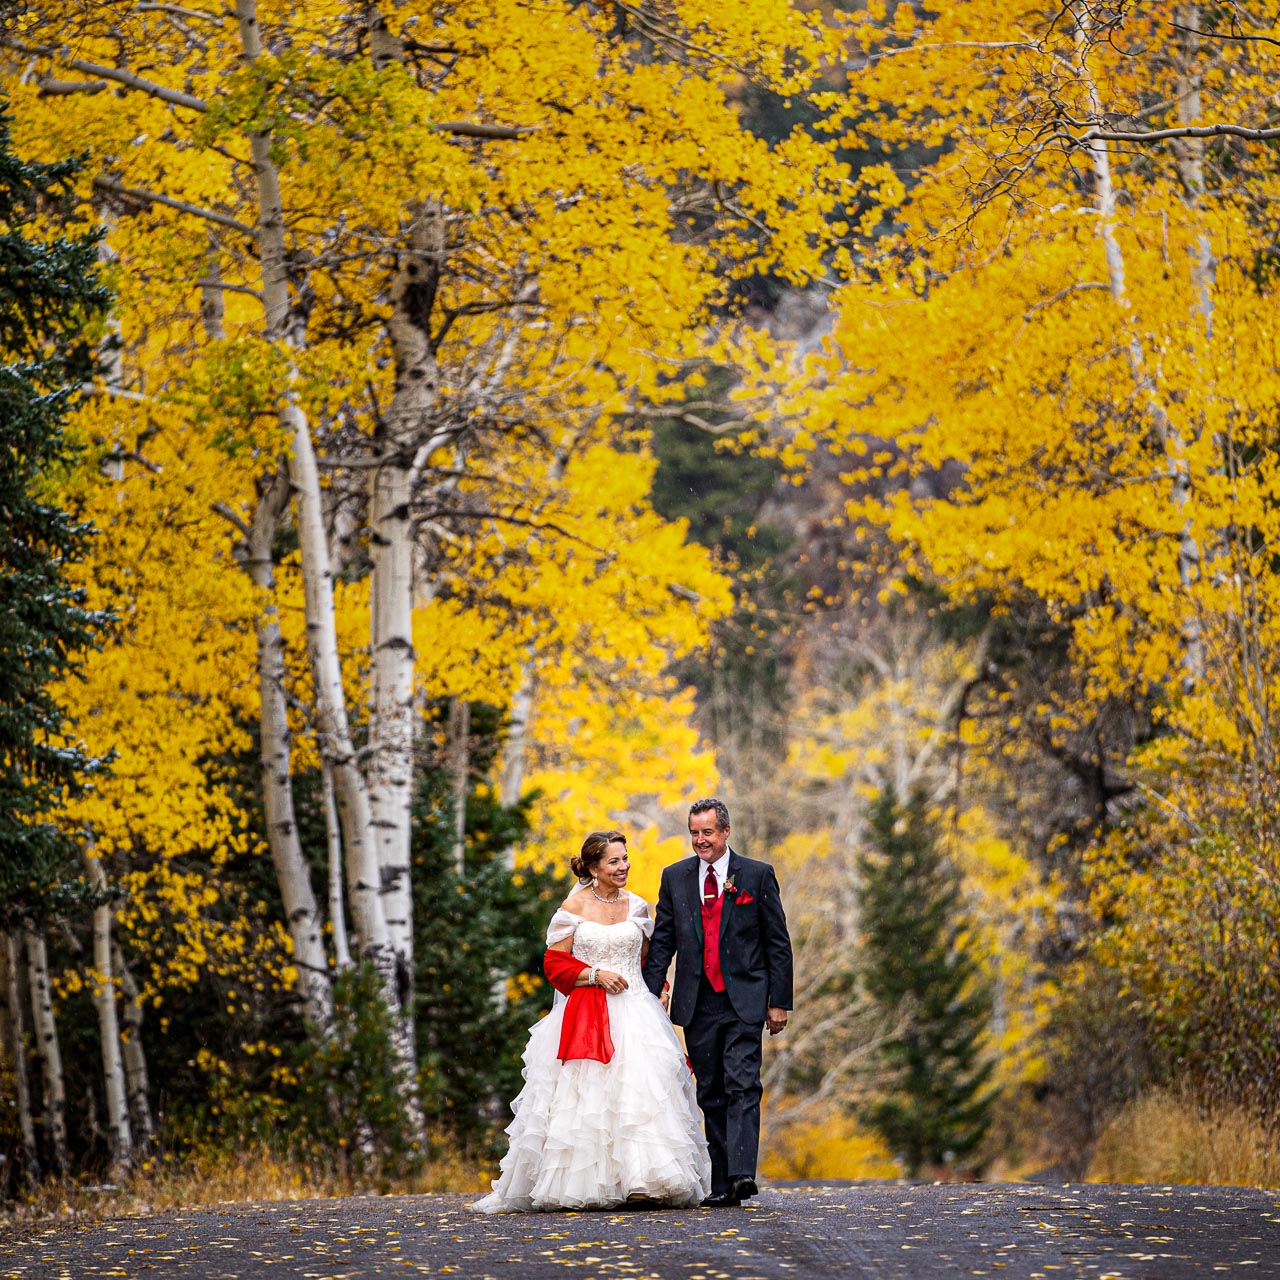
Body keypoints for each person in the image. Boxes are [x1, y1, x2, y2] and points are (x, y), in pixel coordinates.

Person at [471, 829, 711, 1213]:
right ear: (594, 867)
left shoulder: (637, 906)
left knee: (643, 1093)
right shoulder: (573, 908)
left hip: (637, 1011)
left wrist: (661, 986)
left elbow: (651, 957)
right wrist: (595, 974)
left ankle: (645, 1180)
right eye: (614, 861)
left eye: (625, 858)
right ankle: (589, 1181)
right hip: (589, 1012)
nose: (624, 866)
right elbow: (554, 962)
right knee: (590, 1099)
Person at [642, 798, 793, 1207]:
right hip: (697, 1002)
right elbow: (664, 942)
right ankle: (722, 1182)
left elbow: (777, 943)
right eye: (694, 832)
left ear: (725, 832)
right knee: (711, 1090)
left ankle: (742, 1173)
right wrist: (647, 994)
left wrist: (778, 1002)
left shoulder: (757, 876)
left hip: (744, 999)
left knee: (743, 1083)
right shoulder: (675, 878)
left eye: (707, 832)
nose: (700, 840)